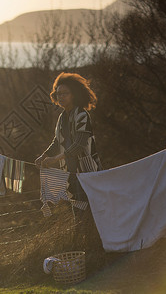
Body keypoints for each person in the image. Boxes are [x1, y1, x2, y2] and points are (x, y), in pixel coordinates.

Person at [35, 72, 103, 253]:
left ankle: (97, 249)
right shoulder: (62, 118)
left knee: (91, 211)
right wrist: (43, 156)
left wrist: (56, 159)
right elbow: (57, 142)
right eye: (58, 94)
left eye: (65, 93)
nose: (61, 97)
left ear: (75, 94)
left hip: (88, 172)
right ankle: (84, 251)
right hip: (71, 174)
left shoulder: (82, 115)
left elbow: (79, 144)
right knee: (77, 213)